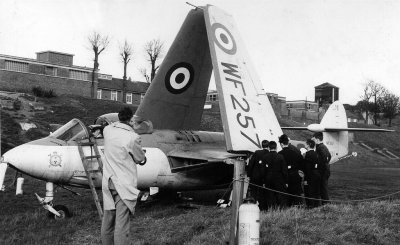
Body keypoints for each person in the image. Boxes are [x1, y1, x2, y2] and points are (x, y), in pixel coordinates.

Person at [101, 107, 146, 245]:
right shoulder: (133, 137)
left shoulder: (107, 131)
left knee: (108, 220)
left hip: (108, 181)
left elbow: (111, 129)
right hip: (123, 184)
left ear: (119, 117)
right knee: (121, 222)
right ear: (130, 119)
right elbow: (140, 159)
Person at [278, 134, 304, 206]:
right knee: (296, 197)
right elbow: (301, 164)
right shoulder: (295, 152)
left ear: (281, 144)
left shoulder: (279, 154)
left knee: (285, 197)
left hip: (284, 178)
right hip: (295, 176)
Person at [263, 141, 288, 209]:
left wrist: (264, 182)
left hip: (268, 179)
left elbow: (263, 171)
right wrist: (286, 181)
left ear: (269, 147)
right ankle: (281, 209)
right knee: (280, 196)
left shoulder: (265, 157)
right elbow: (284, 170)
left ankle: (271, 209)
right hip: (279, 179)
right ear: (276, 147)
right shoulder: (280, 156)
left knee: (270, 196)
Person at [246, 140, 269, 210]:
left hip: (254, 176)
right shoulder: (269, 154)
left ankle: (253, 207)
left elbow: (251, 164)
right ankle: (262, 207)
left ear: (262, 146)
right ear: (268, 146)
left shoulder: (256, 152)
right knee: (262, 193)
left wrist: (249, 175)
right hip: (263, 178)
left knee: (253, 192)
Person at [312, 132, 331, 205]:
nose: (312, 140)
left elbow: (324, 159)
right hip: (325, 170)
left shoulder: (320, 148)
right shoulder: (324, 147)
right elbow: (329, 156)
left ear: (317, 139)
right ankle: (325, 204)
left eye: (313, 139)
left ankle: (326, 204)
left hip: (323, 171)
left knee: (323, 189)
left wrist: (318, 166)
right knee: (323, 188)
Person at [302, 139, 321, 208]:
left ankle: (310, 206)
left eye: (306, 143)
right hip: (317, 175)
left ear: (309, 145)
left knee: (309, 192)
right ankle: (316, 206)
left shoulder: (308, 154)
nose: (304, 145)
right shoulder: (316, 153)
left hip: (310, 176)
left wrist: (306, 179)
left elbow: (307, 168)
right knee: (316, 192)